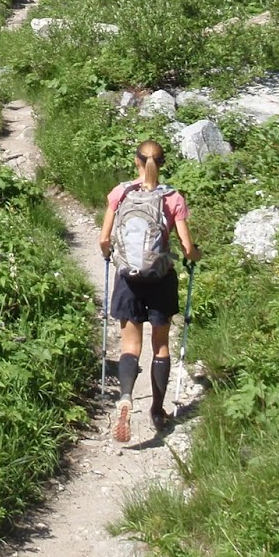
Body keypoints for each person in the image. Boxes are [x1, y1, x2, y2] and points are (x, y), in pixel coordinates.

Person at [98, 138, 199, 442]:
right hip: (160, 279)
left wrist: (108, 255)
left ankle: (126, 397)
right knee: (161, 346)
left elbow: (104, 240)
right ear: (163, 163)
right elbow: (186, 246)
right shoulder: (173, 199)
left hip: (128, 279)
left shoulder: (120, 193)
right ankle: (157, 409)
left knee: (130, 346)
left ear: (136, 162)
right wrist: (195, 256)